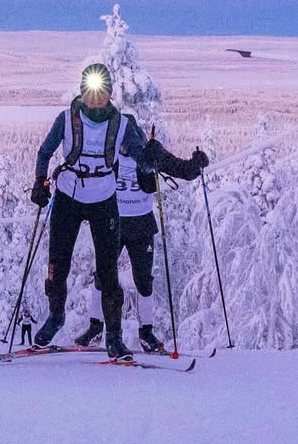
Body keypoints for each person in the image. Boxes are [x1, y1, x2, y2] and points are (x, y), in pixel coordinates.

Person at [29, 62, 197, 359]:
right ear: (82, 92)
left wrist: (180, 165)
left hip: (103, 200)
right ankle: (55, 317)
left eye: (101, 92)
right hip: (68, 196)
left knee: (108, 273)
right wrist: (40, 183)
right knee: (57, 266)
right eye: (90, 92)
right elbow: (45, 152)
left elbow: (144, 160)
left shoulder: (121, 125)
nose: (95, 98)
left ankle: (114, 338)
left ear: (109, 93)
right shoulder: (65, 119)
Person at [74, 131, 207, 352]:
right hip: (112, 223)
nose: (125, 146)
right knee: (102, 276)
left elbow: (179, 168)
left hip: (141, 225)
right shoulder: (107, 154)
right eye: (121, 141)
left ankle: (146, 333)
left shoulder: (149, 153)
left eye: (129, 141)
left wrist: (196, 165)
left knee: (144, 281)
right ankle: (95, 327)